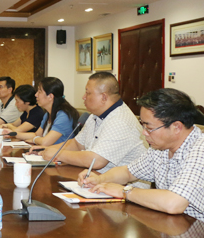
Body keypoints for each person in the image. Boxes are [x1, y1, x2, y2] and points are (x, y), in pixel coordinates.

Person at [79, 88, 204, 220]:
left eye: (149, 128)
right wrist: (100, 180)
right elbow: (128, 172)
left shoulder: (200, 149)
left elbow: (174, 203)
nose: (144, 133)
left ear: (176, 127)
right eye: (143, 125)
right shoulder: (160, 147)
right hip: (172, 224)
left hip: (196, 229)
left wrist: (124, 191)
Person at [40, 72, 147, 173]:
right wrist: (47, 149)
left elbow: (96, 161)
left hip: (121, 184)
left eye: (88, 93)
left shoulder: (120, 121)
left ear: (104, 97)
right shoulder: (95, 115)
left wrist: (58, 154)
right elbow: (77, 144)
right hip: (95, 178)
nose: (83, 97)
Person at [12, 78, 78, 145]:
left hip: (58, 151)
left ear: (50, 96)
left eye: (39, 92)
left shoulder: (63, 116)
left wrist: (34, 140)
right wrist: (13, 134)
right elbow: (37, 134)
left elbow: (45, 142)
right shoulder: (48, 114)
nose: (36, 95)